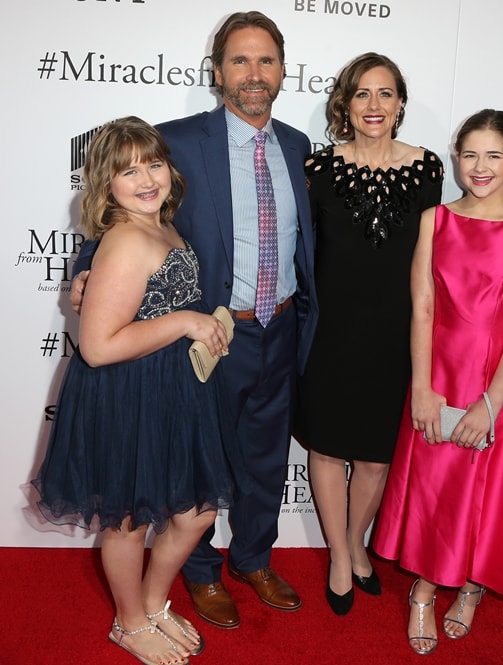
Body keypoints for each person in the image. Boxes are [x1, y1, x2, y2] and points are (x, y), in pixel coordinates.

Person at [70, 11, 319, 628]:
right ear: (217, 73)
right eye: (240, 61)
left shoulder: (296, 144)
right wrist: (84, 270)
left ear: (283, 71)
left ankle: (254, 557)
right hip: (208, 335)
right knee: (202, 467)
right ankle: (202, 574)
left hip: (279, 327)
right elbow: (120, 208)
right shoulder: (176, 140)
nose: (253, 74)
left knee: (265, 458)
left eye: (266, 61)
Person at [34, 116, 235, 665]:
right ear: (105, 184)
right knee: (130, 520)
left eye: (153, 163)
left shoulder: (161, 223)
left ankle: (150, 603)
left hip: (170, 390)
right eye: (127, 171)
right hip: (128, 394)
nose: (146, 178)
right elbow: (98, 346)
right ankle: (128, 623)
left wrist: (196, 325)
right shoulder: (125, 237)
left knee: (194, 512)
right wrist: (186, 323)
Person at [373, 109, 503, 655]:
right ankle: (425, 590)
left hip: (499, 382)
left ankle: (471, 587)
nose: (479, 167)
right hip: (439, 372)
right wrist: (423, 386)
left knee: (483, 489)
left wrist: (490, 404)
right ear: (456, 158)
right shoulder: (436, 220)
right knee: (435, 485)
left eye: (493, 155)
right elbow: (422, 306)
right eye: (469, 154)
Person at [293, 52, 443, 616]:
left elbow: (433, 262)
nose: (374, 105)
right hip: (330, 332)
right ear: (345, 104)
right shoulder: (319, 168)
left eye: (385, 94)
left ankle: (357, 543)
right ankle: (338, 554)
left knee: (378, 458)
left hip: (396, 335)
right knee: (329, 451)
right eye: (362, 94)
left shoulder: (428, 169)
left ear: (400, 103)